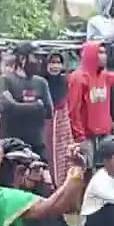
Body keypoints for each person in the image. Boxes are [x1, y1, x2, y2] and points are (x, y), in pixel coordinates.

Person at [67, 39, 114, 166]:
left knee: (106, 169)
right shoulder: (79, 78)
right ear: (91, 55)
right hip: (87, 137)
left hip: (104, 134)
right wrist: (80, 137)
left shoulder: (104, 76)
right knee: (87, 170)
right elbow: (73, 111)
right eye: (100, 52)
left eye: (104, 52)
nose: (105, 56)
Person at [0, 43, 53, 163]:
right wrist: (36, 106)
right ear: (22, 59)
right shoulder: (5, 80)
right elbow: (5, 107)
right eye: (35, 57)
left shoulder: (41, 83)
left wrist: (16, 105)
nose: (39, 61)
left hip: (37, 144)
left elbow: (49, 111)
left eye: (40, 57)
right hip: (12, 145)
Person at [42, 52, 74, 185]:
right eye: (52, 62)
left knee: (61, 158)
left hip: (60, 127)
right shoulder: (41, 82)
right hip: (44, 125)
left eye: (58, 63)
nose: (55, 66)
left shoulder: (64, 82)